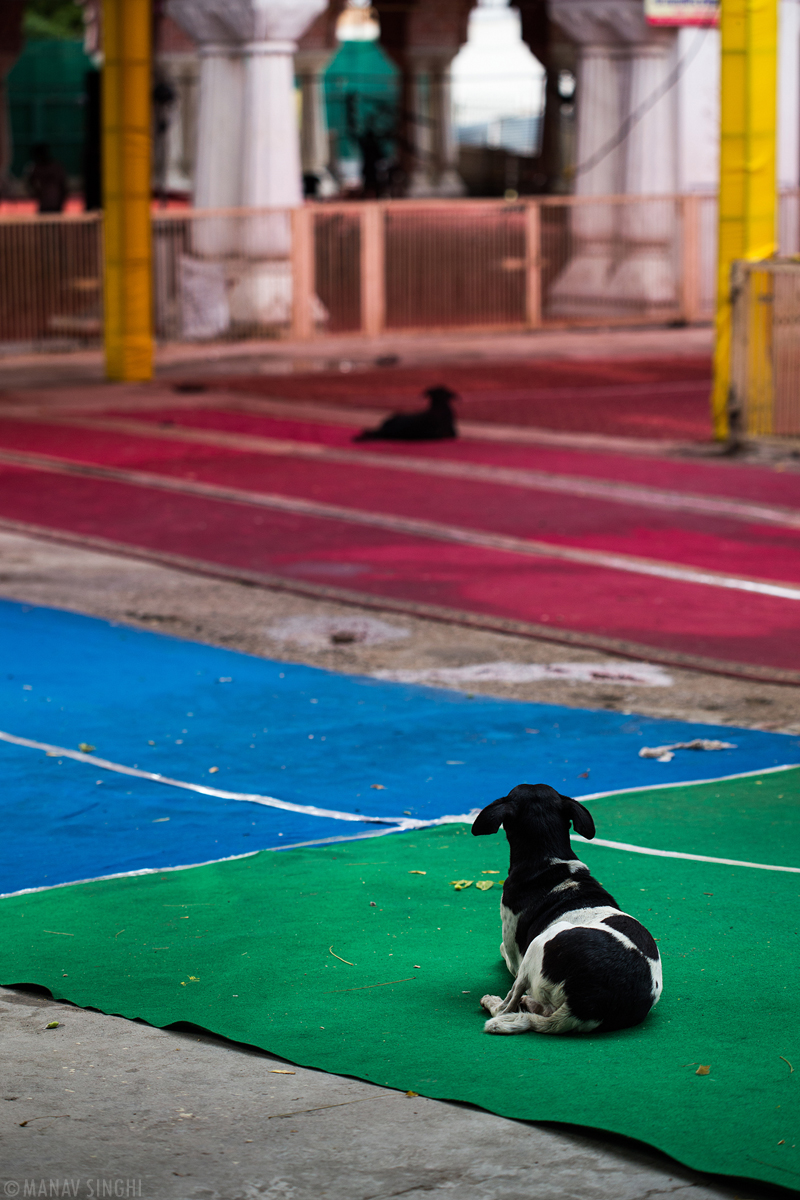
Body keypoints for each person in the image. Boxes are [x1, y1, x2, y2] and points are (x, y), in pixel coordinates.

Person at [28, 143, 68, 213]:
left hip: (57, 207)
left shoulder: (56, 167)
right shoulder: (36, 169)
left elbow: (64, 187)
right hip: (44, 207)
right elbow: (30, 183)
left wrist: (61, 202)